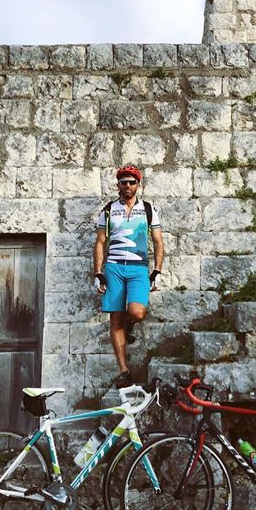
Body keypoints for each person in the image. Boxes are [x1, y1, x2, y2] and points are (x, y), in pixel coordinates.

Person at [93, 165, 164, 388]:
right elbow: (100, 242)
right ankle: (124, 371)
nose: (127, 186)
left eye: (131, 182)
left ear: (138, 185)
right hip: (114, 267)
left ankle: (129, 323)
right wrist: (98, 272)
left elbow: (158, 242)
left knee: (137, 312)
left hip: (138, 268)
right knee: (115, 319)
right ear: (118, 185)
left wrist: (157, 271)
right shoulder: (108, 210)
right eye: (123, 182)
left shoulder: (149, 209)